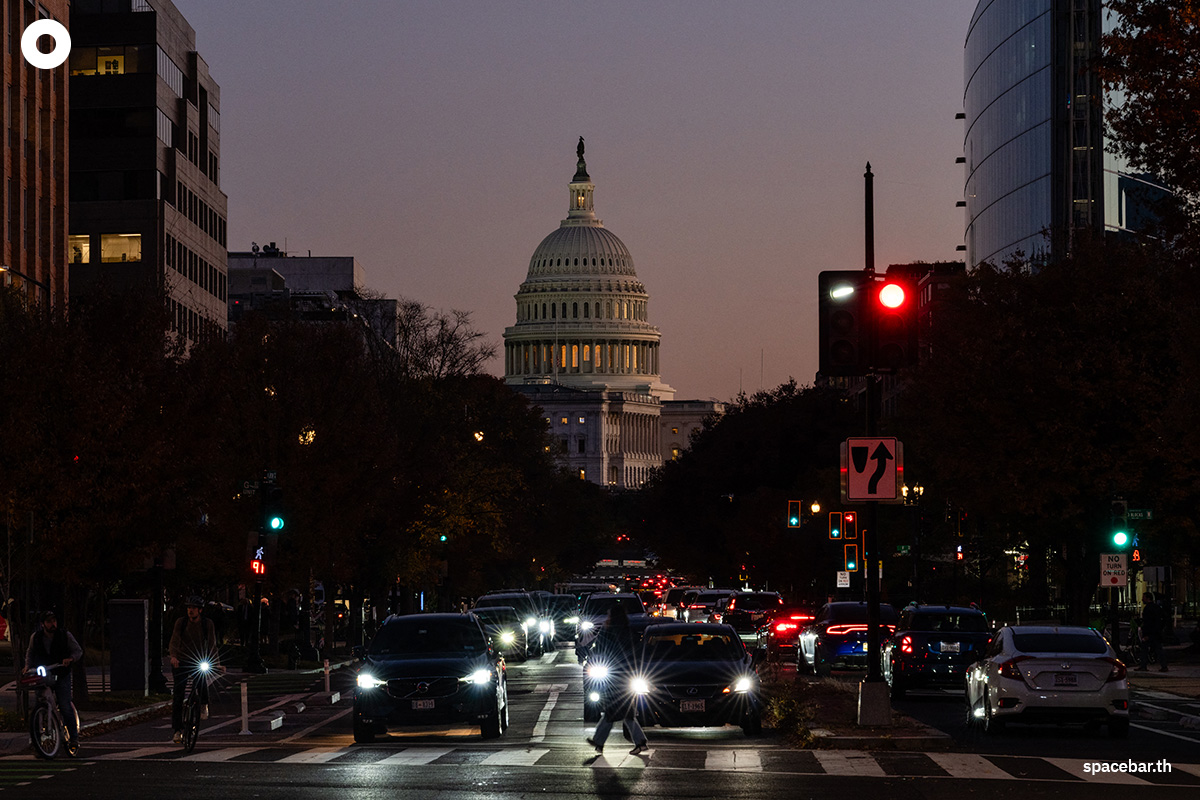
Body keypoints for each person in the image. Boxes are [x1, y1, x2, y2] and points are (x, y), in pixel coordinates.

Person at [585, 604, 648, 756]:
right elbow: (637, 653)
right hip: (626, 677)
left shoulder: (608, 633)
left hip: (613, 678)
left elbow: (598, 650)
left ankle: (600, 741)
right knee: (625, 712)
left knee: (613, 712)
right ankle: (638, 742)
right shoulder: (629, 632)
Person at [24, 610, 82, 744]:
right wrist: (27, 666)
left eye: (54, 621)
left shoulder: (64, 635)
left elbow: (78, 651)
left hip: (61, 673)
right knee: (40, 702)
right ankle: (37, 739)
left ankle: (74, 737)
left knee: (65, 705)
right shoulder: (36, 637)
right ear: (42, 624)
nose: (52, 624)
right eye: (49, 621)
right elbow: (30, 652)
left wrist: (70, 659)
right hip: (43, 675)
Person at [169, 596, 220, 743]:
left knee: (202, 680)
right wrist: (173, 656)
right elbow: (174, 640)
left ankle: (203, 704)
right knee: (178, 696)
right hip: (181, 660)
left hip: (198, 660)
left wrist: (216, 663)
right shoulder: (181, 622)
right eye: (188, 608)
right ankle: (177, 730)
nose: (190, 610)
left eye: (193, 608)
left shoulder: (207, 624)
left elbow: (212, 644)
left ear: (200, 610)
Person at [1136, 591, 1168, 672]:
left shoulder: (1148, 609)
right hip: (1156, 633)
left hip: (1150, 633)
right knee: (1158, 649)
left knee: (1144, 649)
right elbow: (1163, 619)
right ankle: (1163, 665)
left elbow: (1148, 622)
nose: (1142, 599)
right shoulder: (1157, 607)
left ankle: (1143, 665)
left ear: (1147, 598)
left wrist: (1146, 634)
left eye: (1144, 597)